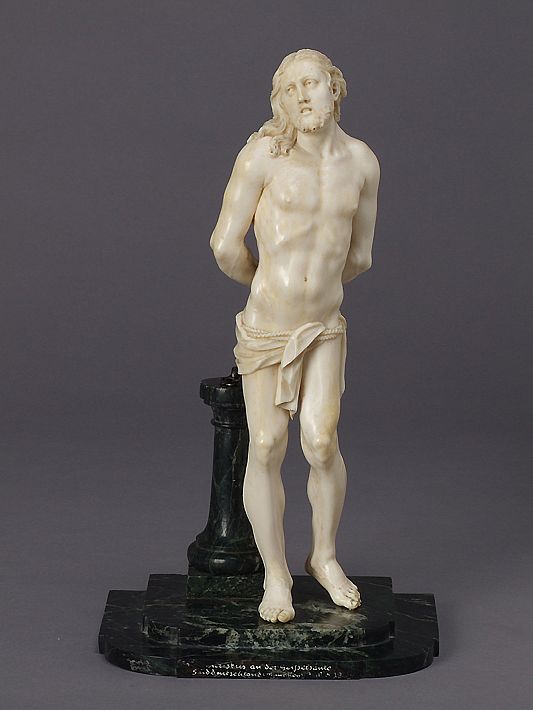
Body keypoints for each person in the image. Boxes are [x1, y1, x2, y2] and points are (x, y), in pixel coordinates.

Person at [210, 49, 380, 623]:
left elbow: (360, 255)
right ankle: (276, 573)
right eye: (290, 89)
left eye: (312, 83)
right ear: (280, 101)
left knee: (322, 441)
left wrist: (315, 293)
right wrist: (271, 287)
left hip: (323, 326)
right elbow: (224, 245)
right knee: (265, 444)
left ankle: (324, 557)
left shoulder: (361, 162)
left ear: (335, 88)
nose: (302, 96)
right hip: (267, 325)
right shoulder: (263, 155)